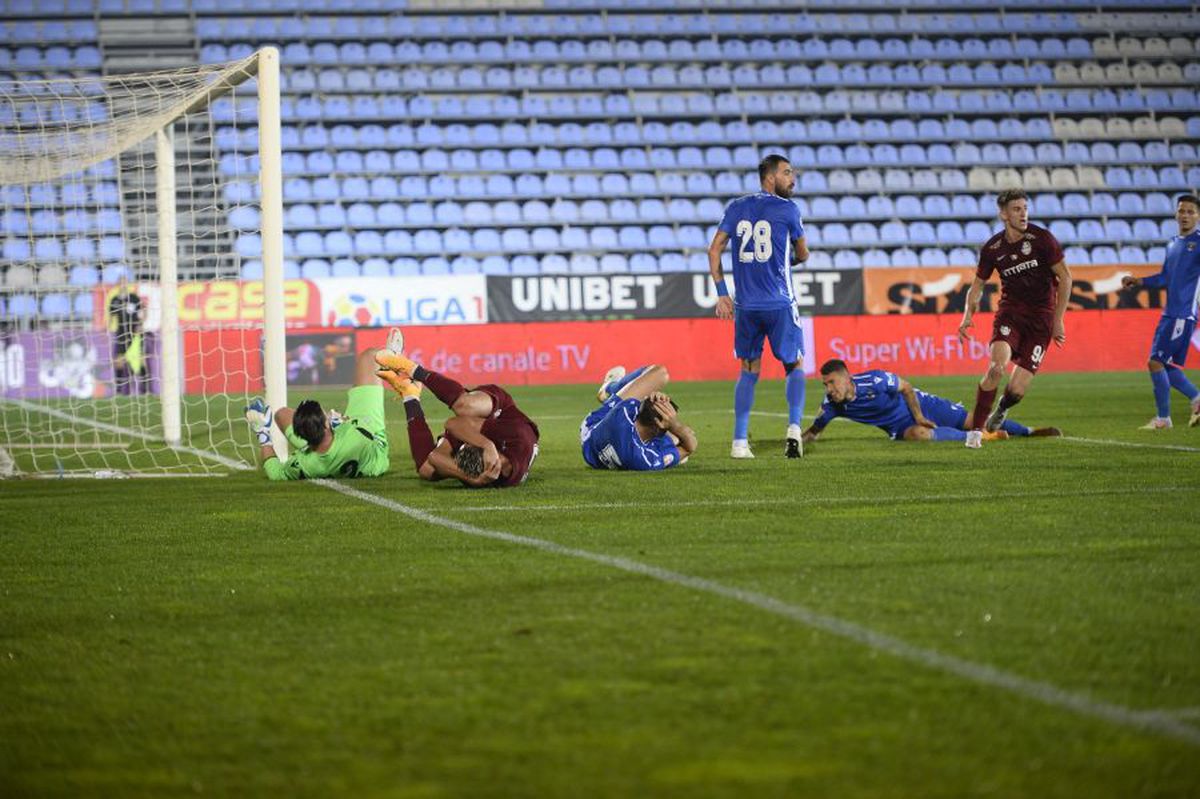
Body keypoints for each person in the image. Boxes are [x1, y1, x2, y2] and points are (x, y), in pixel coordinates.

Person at [707, 153, 810, 459]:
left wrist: (722, 294)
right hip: (780, 303)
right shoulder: (788, 209)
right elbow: (803, 254)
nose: (793, 179)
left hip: (746, 306)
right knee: (794, 365)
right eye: (787, 173)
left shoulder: (736, 207)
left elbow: (714, 250)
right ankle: (794, 430)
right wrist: (788, 261)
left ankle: (739, 443)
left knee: (748, 370)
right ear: (770, 177)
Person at [958, 188, 1072, 449]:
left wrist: (1058, 320)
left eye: (1025, 209)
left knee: (1017, 391)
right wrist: (967, 317)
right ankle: (976, 432)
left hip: (1041, 319)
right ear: (1004, 215)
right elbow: (977, 287)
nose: (1023, 214)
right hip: (1011, 315)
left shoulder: (1042, 239)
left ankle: (1002, 407)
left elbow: (1065, 278)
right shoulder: (993, 248)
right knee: (996, 368)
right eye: (1017, 209)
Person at [375, 329, 539, 488]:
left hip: (485, 444)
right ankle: (408, 367)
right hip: (499, 412)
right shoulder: (518, 436)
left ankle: (409, 393)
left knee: (427, 469)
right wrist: (487, 445)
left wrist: (469, 478)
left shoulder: (491, 475)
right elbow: (453, 423)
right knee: (465, 407)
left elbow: (434, 457)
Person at [801, 359, 1061, 446]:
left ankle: (1029, 431)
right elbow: (814, 431)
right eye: (826, 385)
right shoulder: (831, 405)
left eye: (832, 382)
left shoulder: (876, 380)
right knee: (920, 435)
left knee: (972, 419)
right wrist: (797, 440)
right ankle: (985, 437)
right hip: (900, 426)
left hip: (921, 405)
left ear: (847, 378)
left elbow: (906, 387)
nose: (829, 389)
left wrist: (919, 414)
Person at [245, 347, 392, 481]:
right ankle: (394, 357)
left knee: (281, 414)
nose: (328, 414)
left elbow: (275, 473)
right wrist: (341, 422)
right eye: (325, 414)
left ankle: (269, 432)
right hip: (370, 435)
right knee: (370, 356)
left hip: (323, 448)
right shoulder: (355, 439)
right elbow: (360, 428)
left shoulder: (302, 464)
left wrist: (263, 435)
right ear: (326, 425)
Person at [1121, 193, 1200, 429]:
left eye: (1190, 212)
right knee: (1165, 365)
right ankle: (1196, 399)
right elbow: (1165, 277)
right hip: (1170, 313)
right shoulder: (1173, 243)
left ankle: (1164, 418)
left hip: (1182, 314)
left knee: (1155, 362)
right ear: (1175, 213)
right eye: (1182, 210)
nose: (1185, 215)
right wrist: (1139, 281)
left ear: (1198, 216)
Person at [580, 364, 698, 471]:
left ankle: (609, 389)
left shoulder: (624, 411)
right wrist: (675, 426)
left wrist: (651, 400)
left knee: (660, 373)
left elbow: (644, 408)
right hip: (610, 439)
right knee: (680, 437)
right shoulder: (644, 459)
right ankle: (608, 389)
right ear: (658, 429)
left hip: (592, 429)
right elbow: (690, 447)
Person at [107, 274, 146, 395]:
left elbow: (143, 311)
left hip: (134, 332)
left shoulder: (134, 298)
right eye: (121, 282)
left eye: (125, 282)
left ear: (127, 284)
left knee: (140, 360)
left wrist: (141, 324)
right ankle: (119, 389)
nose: (123, 285)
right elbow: (111, 316)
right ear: (118, 285)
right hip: (121, 333)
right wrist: (108, 329)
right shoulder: (115, 300)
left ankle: (144, 389)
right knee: (119, 361)